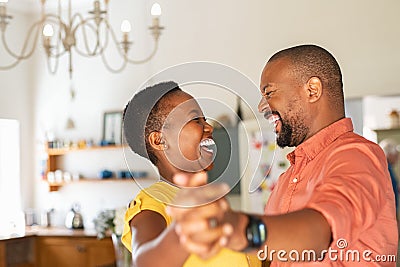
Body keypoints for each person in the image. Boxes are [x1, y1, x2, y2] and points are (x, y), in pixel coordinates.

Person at [168, 45, 398, 266]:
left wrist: (236, 227)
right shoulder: (289, 177)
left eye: (269, 92)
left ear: (312, 90)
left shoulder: (356, 155)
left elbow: (320, 232)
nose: (261, 106)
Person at [121, 81, 262, 267]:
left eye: (204, 119)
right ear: (159, 140)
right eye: (195, 120)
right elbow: (145, 260)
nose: (209, 127)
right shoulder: (153, 200)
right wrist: (185, 232)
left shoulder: (212, 202)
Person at [379, 138, 399, 215]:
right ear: (389, 154)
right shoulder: (386, 168)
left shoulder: (387, 167)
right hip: (388, 210)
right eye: (396, 156)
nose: (397, 159)